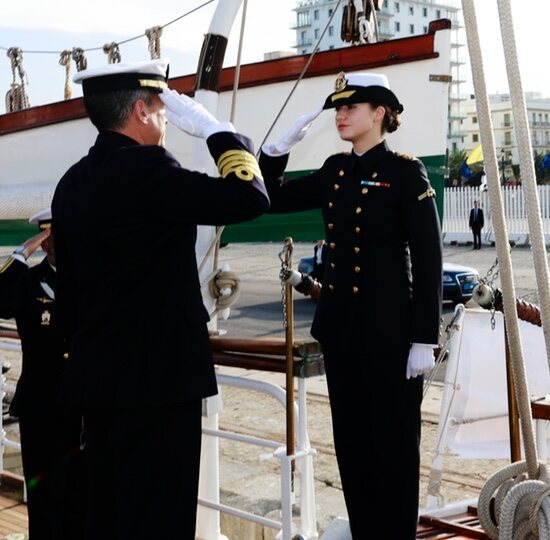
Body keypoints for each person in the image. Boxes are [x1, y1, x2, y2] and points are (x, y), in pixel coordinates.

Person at [51, 59, 269, 538]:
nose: (170, 117)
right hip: (161, 388)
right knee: (161, 519)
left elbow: (66, 298)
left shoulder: (71, 184)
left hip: (99, 384)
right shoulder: (151, 172)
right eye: (163, 106)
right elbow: (250, 196)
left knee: (109, 515)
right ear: (140, 110)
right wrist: (218, 132)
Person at [259, 72, 442, 539]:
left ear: (380, 112)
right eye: (337, 108)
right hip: (341, 335)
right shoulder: (334, 171)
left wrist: (424, 336)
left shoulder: (405, 172)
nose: (340, 114)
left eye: (351, 107)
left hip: (391, 338)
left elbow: (427, 257)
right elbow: (269, 197)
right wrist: (275, 153)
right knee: (354, 449)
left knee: (395, 452)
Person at [0, 210, 83, 539]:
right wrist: (22, 253)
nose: (58, 244)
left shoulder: (88, 279)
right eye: (50, 238)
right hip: (40, 405)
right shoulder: (28, 281)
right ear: (45, 241)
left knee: (80, 489)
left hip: (82, 403)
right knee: (43, 488)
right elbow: (1, 303)